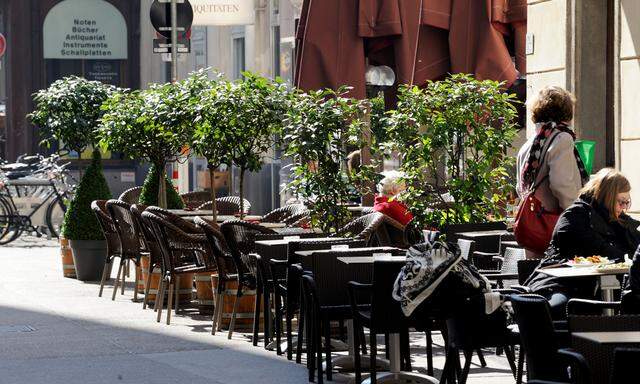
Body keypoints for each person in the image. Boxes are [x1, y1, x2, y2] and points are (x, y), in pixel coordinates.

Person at [525, 168, 640, 319]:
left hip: (602, 288)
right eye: (621, 202)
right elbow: (599, 248)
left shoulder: (618, 220)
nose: (624, 207)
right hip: (560, 283)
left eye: (627, 202)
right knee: (558, 308)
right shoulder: (575, 216)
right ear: (607, 197)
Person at [516, 86, 590, 258]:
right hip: (555, 225)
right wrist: (575, 216)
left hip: (534, 225)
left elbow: (521, 187)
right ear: (566, 111)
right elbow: (561, 184)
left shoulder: (531, 143)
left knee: (537, 279)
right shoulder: (561, 138)